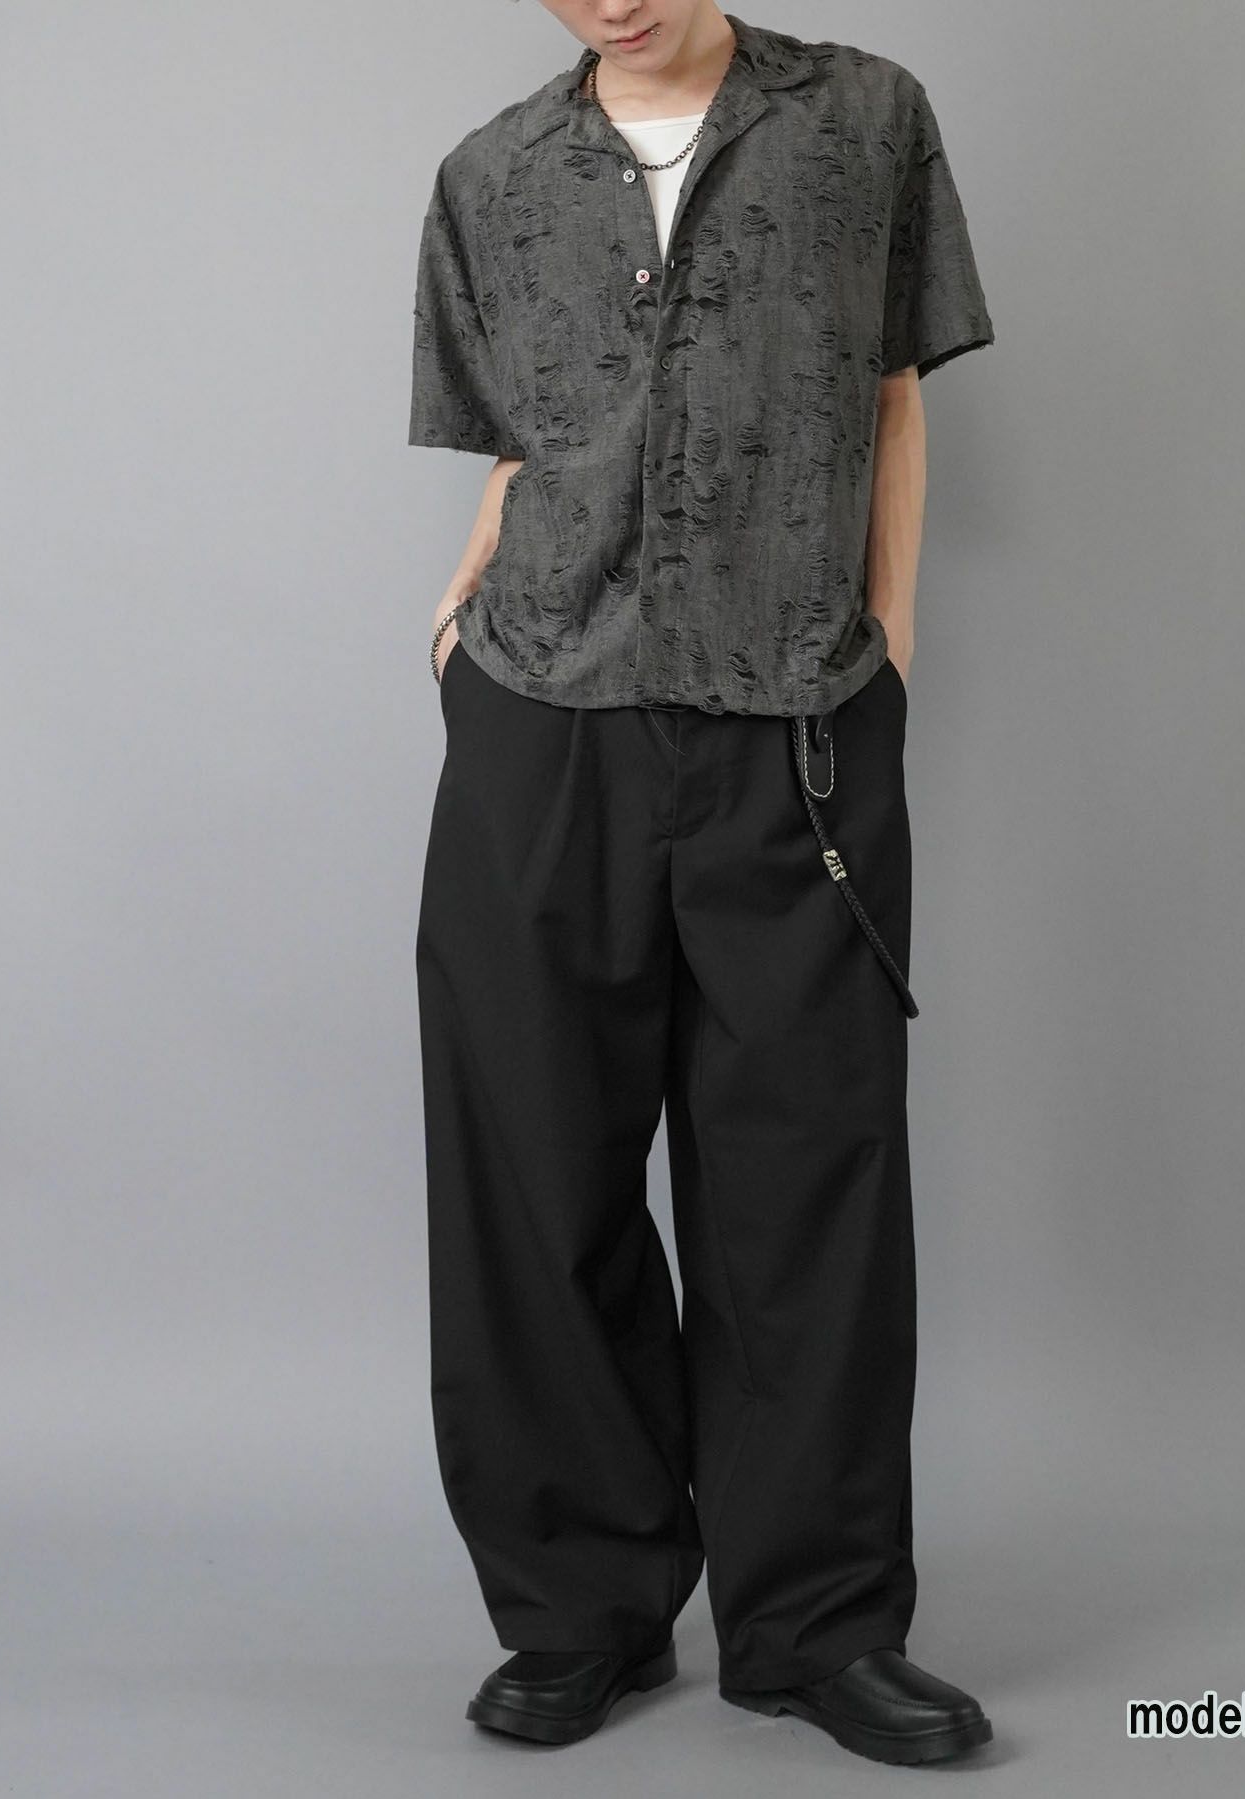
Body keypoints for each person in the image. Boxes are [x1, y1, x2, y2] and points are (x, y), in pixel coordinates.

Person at [408, 0, 996, 1767]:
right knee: (532, 1184)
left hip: (795, 724)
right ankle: (579, 1611)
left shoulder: (868, 118)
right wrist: (460, 617)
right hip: (543, 724)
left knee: (805, 1185)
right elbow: (526, 445)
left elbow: (891, 397)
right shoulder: (490, 174)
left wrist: (887, 648)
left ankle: (818, 1628)